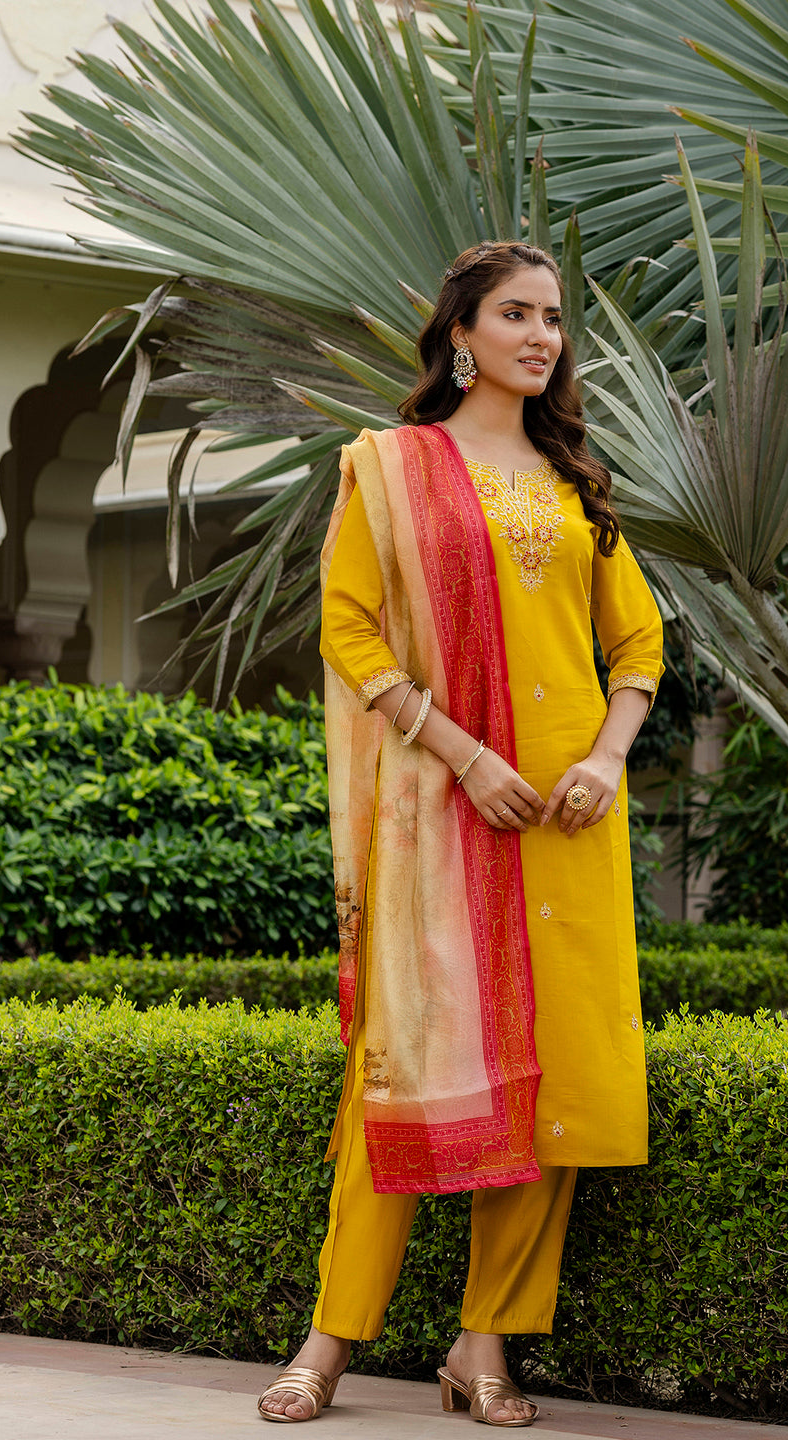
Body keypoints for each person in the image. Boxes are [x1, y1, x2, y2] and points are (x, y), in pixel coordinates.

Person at [257, 240, 664, 1427]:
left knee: (554, 1098)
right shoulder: (390, 468)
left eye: (553, 319)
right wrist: (464, 754)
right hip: (444, 816)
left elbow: (636, 650)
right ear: (461, 337)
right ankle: (328, 1346)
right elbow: (349, 632)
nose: (541, 336)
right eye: (515, 315)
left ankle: (484, 1346)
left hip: (568, 826)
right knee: (400, 1081)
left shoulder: (576, 481)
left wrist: (603, 760)